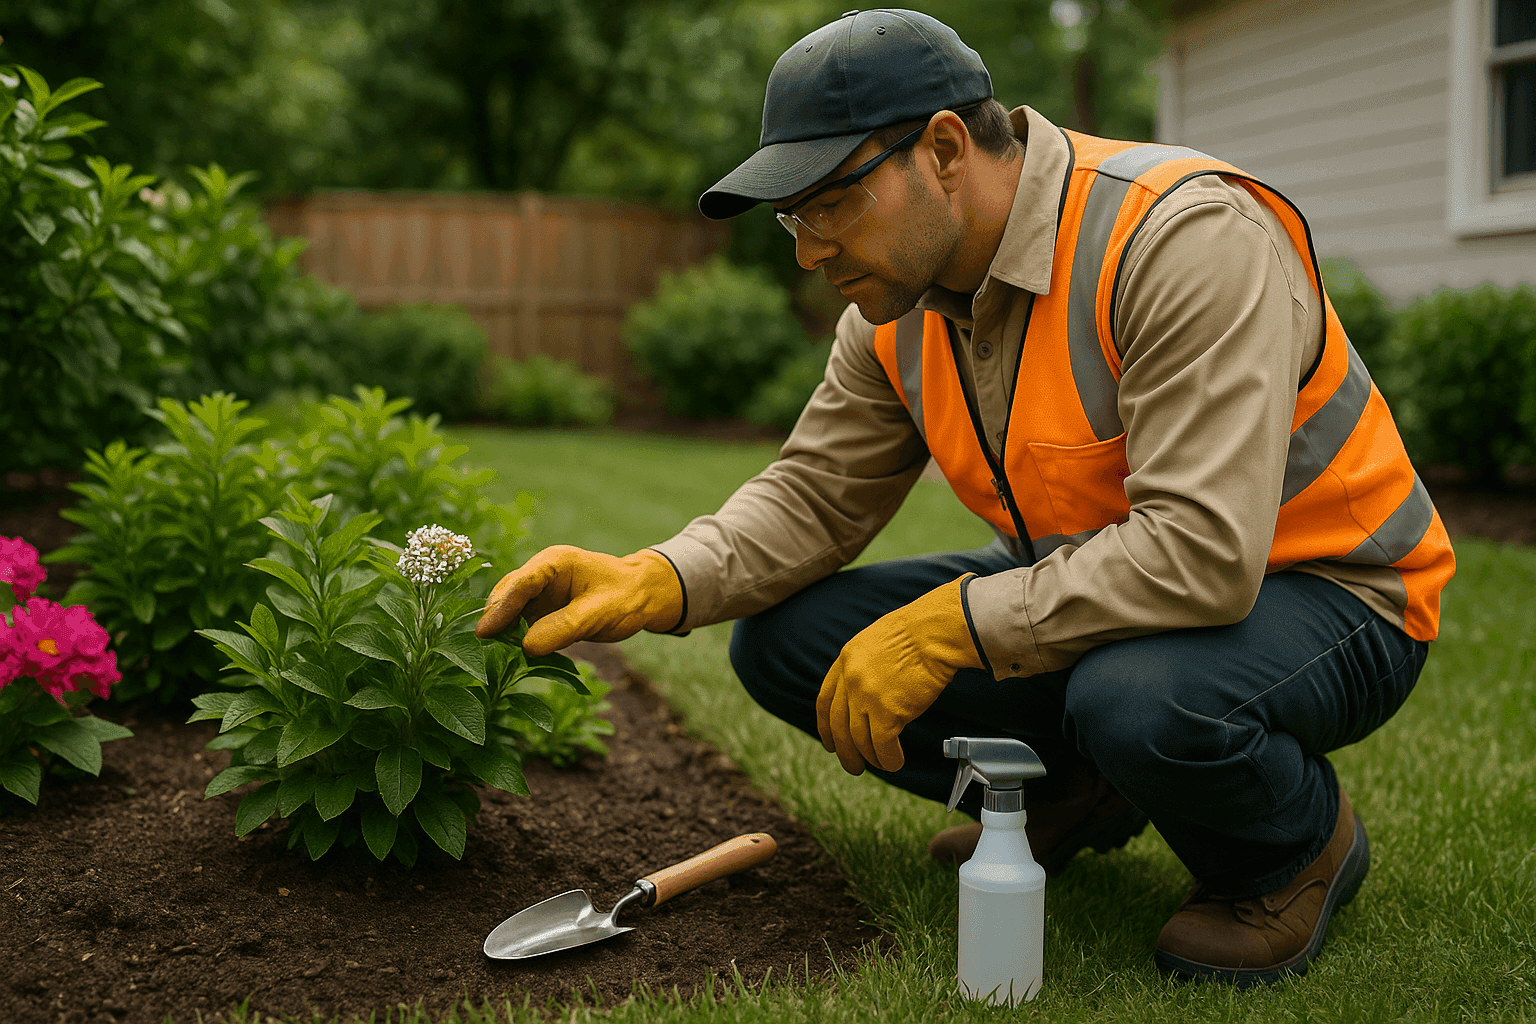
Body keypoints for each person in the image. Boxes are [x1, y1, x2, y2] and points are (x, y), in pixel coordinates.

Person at [475, 9, 1456, 986]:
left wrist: (952, 623)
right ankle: (1077, 792)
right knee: (788, 643)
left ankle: (1290, 851)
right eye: (793, 216)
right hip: (1099, 581)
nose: (810, 250)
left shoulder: (1178, 236)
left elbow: (1200, 550)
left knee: (1137, 698)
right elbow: (816, 494)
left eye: (830, 203)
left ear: (945, 148)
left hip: (1333, 586)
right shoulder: (898, 302)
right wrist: (661, 576)